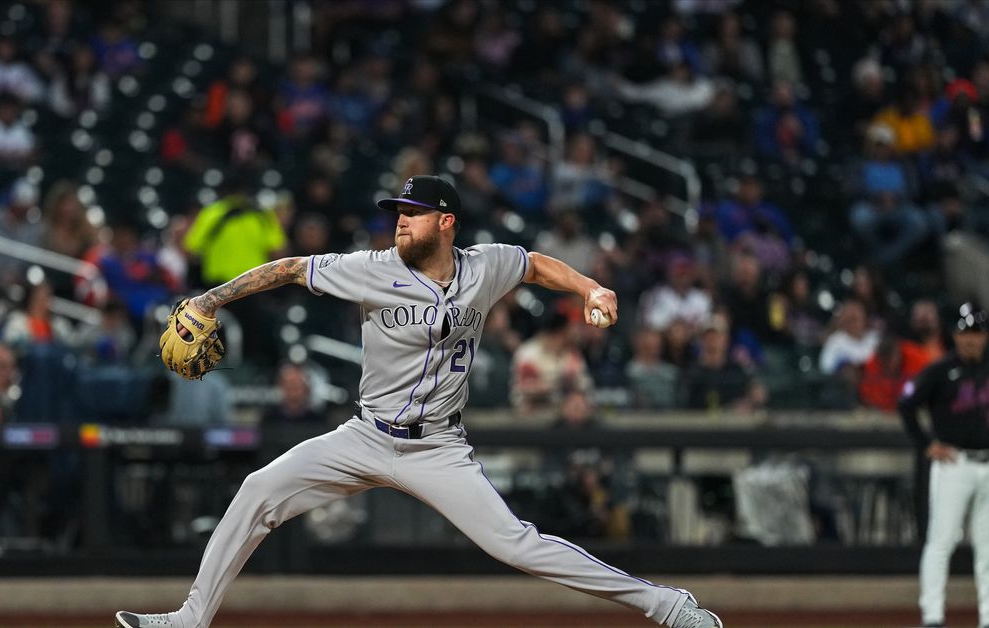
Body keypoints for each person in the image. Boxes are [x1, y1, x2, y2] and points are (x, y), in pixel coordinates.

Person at [115, 175, 722, 628]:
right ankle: (190, 619)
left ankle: (667, 606)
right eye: (397, 212)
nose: (401, 221)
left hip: (439, 446)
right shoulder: (370, 268)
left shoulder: (483, 267)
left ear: (447, 222)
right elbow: (292, 268)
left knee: (517, 544)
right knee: (257, 490)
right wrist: (212, 300)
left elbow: (534, 264)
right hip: (365, 435)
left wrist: (592, 285)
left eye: (414, 212)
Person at [898, 303, 989, 628]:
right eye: (965, 333)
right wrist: (927, 444)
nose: (971, 340)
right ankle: (933, 617)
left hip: (987, 467)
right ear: (955, 335)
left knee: (988, 550)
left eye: (976, 333)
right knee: (941, 542)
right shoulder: (940, 369)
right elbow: (906, 402)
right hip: (954, 465)